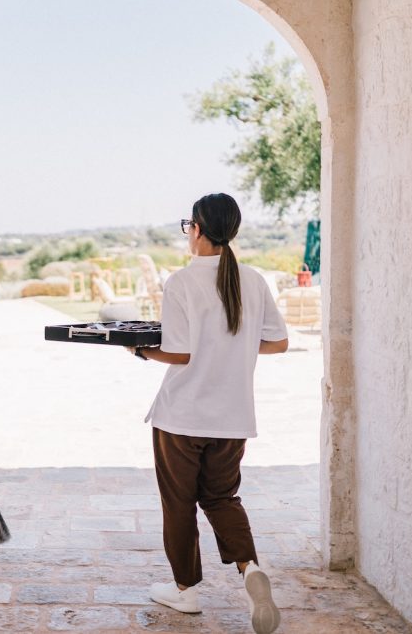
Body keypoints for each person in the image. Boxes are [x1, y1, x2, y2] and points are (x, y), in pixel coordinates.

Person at [128, 193, 289, 634]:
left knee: (179, 503)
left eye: (188, 225)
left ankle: (186, 591)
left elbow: (178, 354)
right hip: (232, 417)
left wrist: (138, 350)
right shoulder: (253, 280)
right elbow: (278, 343)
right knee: (221, 498)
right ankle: (250, 568)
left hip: (182, 417)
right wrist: (231, 347)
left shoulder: (181, 282)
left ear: (197, 229)